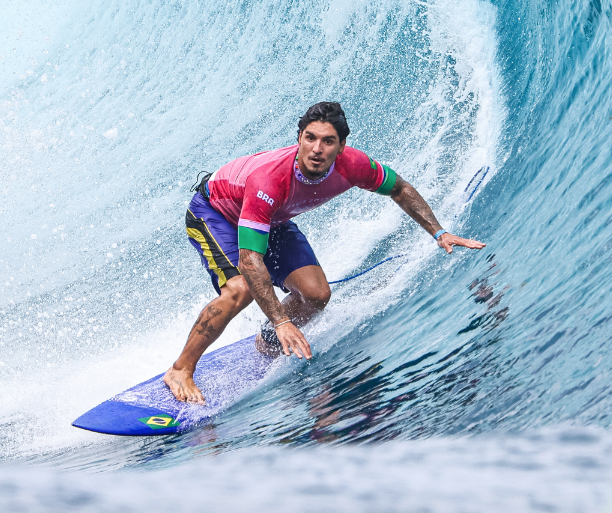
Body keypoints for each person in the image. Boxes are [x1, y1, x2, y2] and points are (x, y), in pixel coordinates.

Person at [163, 102, 486, 404]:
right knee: (240, 288)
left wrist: (439, 232)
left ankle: (267, 343)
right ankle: (181, 369)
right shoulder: (270, 179)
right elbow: (250, 260)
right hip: (217, 213)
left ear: (341, 146)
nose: (317, 149)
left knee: (316, 295)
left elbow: (400, 189)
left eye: (328, 141)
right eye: (310, 138)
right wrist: (281, 319)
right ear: (299, 138)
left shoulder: (354, 165)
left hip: (272, 219)